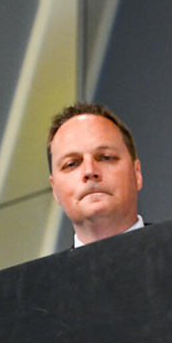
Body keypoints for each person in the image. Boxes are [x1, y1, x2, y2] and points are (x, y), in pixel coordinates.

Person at [47, 103, 144, 246]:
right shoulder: (46, 269)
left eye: (106, 157)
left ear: (136, 173)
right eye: (72, 164)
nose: (89, 171)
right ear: (55, 190)